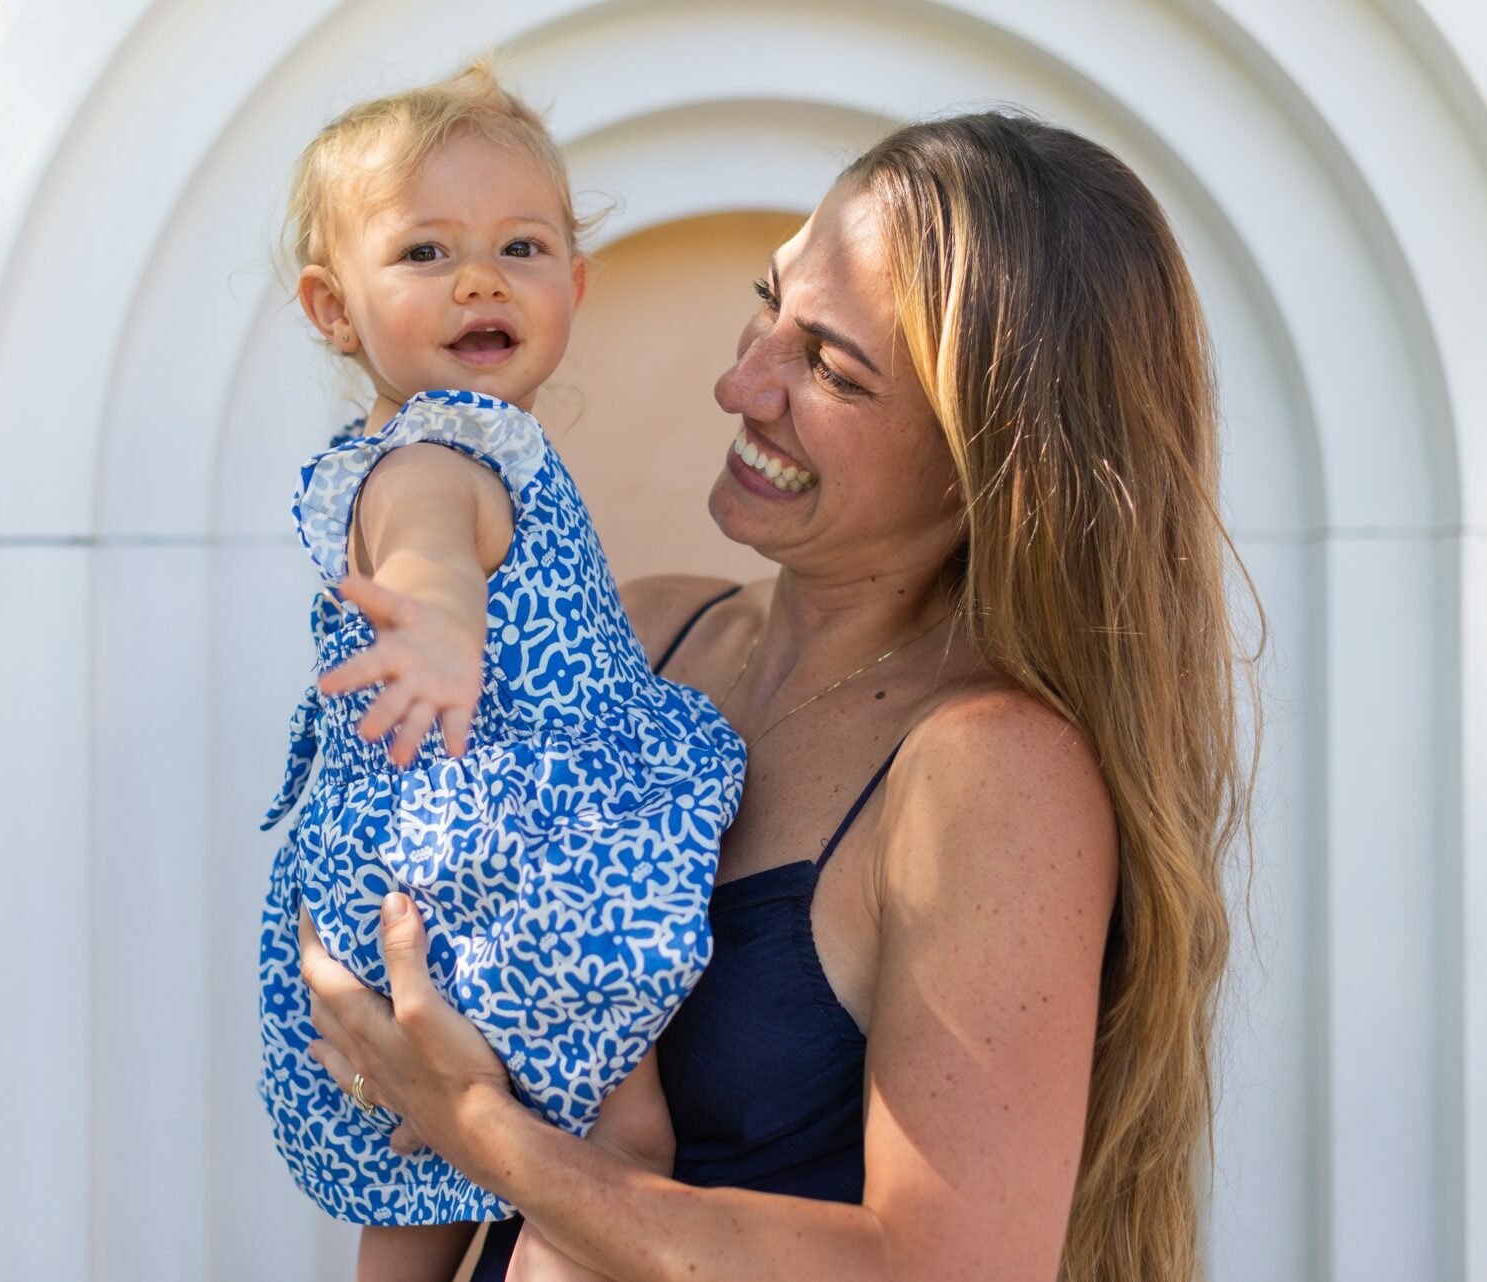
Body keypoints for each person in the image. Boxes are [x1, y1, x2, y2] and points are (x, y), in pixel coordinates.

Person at [296, 108, 1262, 1282]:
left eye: (832, 369)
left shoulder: (991, 772)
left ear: (994, 460)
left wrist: (477, 1128)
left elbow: (946, 1269)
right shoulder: (646, 634)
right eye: (769, 303)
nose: (740, 382)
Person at [256, 62, 747, 1282]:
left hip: (426, 873)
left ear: (572, 285)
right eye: (425, 252)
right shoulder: (438, 454)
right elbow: (428, 552)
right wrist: (437, 627)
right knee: (619, 1141)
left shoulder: (434, 446)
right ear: (333, 307)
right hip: (510, 866)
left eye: (520, 247)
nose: (479, 278)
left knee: (421, 1194)